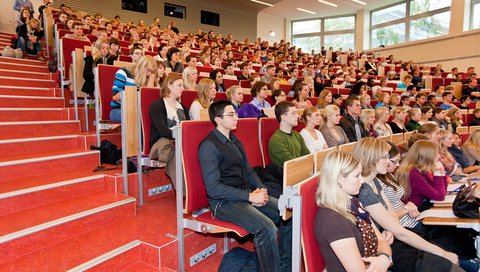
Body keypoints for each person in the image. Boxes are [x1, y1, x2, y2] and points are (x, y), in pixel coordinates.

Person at [198, 100, 282, 272]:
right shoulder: (208, 145)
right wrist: (250, 197)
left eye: (236, 114)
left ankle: (284, 265)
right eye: (231, 114)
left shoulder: (234, 140)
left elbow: (249, 171)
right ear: (218, 119)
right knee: (266, 228)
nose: (237, 117)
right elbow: (213, 189)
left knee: (287, 213)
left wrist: (261, 189)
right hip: (223, 203)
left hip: (244, 195)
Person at [353, 138, 460, 271]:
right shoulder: (364, 190)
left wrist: (389, 227)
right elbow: (400, 232)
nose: (388, 162)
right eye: (385, 157)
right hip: (387, 247)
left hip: (393, 237)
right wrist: (443, 254)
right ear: (371, 159)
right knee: (443, 259)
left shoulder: (375, 181)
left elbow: (393, 218)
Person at [315, 151, 392, 272]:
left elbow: (381, 240)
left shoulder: (354, 203)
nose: (362, 181)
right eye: (357, 175)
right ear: (339, 179)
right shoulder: (333, 221)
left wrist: (384, 258)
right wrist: (384, 260)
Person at [149, 74, 190, 185]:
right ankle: (185, 193)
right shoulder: (157, 106)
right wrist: (181, 138)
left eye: (183, 86)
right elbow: (163, 131)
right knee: (176, 151)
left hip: (179, 141)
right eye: (179, 85)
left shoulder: (183, 107)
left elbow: (188, 128)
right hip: (161, 143)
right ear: (169, 86)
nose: (183, 88)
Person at [110, 56, 157, 121]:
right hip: (119, 109)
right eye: (148, 70)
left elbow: (148, 98)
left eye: (152, 72)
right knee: (140, 115)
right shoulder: (124, 72)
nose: (149, 74)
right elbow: (115, 96)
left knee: (154, 114)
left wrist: (151, 78)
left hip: (137, 109)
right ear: (141, 66)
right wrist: (133, 93)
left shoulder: (147, 77)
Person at [268, 101, 310, 168]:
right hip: (286, 176)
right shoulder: (276, 140)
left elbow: (307, 156)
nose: (297, 116)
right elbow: (292, 164)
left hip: (301, 171)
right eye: (293, 113)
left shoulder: (297, 135)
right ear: (283, 117)